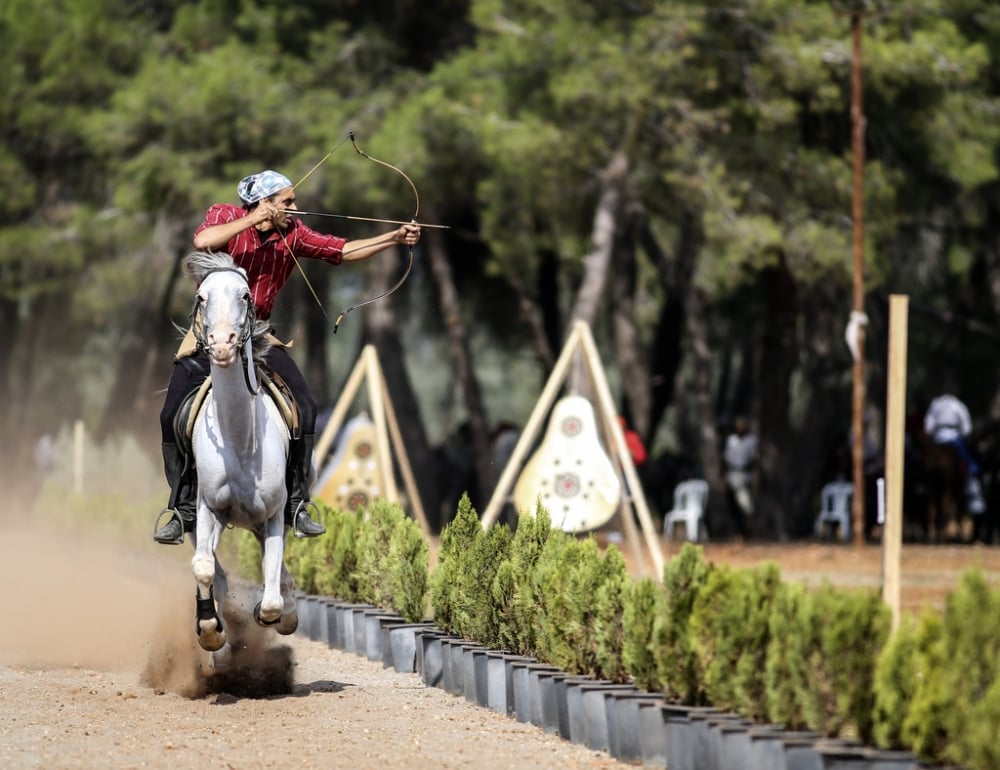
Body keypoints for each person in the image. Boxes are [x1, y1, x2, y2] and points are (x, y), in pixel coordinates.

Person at [153, 169, 421, 544]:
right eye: (287, 202)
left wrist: (394, 237)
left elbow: (342, 250)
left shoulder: (294, 234)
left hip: (259, 337)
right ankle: (181, 508)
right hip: (209, 335)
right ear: (265, 203)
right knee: (170, 415)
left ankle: (296, 501)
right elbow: (203, 241)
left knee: (306, 407)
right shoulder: (226, 215)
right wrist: (252, 218)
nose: (295, 209)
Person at [923, 392, 985, 514]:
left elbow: (928, 426)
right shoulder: (958, 405)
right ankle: (973, 487)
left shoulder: (935, 404)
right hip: (954, 437)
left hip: (937, 437)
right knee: (970, 464)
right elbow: (967, 429)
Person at [723, 416, 758, 538]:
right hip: (732, 474)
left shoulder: (751, 441)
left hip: (744, 475)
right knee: (733, 505)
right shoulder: (731, 440)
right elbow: (727, 459)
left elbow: (754, 460)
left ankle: (748, 531)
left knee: (745, 505)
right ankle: (737, 532)